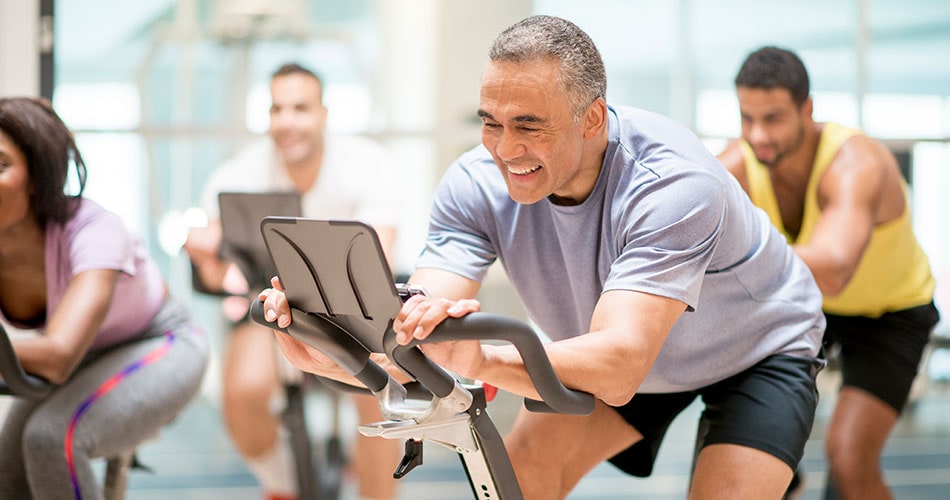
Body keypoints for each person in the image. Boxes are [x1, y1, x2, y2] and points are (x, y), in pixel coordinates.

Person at [259, 16, 828, 499]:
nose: (506, 149)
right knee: (523, 474)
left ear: (592, 118)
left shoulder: (671, 184)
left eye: (529, 125)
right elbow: (422, 323)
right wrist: (342, 353)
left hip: (755, 350)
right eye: (491, 123)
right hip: (622, 354)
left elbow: (621, 366)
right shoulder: (475, 184)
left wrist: (482, 359)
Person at [717, 46, 940, 500]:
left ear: (808, 110)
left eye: (773, 119)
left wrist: (735, 255)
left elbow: (834, 269)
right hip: (805, 307)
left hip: (890, 314)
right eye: (747, 118)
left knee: (849, 459)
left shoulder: (855, 164)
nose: (758, 135)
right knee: (741, 446)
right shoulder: (738, 163)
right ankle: (785, 476)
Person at [183, 62, 403, 500]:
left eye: (300, 108)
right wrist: (205, 254)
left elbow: (380, 253)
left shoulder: (369, 166)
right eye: (276, 109)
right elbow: (217, 275)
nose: (287, 121)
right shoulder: (236, 175)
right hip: (272, 305)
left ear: (323, 113)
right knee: (243, 393)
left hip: (353, 306)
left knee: (379, 395)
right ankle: (285, 487)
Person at [0, 96, 209, 498]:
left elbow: (58, 356)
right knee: (8, 470)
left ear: (37, 177)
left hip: (163, 342)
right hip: (89, 355)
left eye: (0, 165)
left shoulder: (94, 230)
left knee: (51, 438)